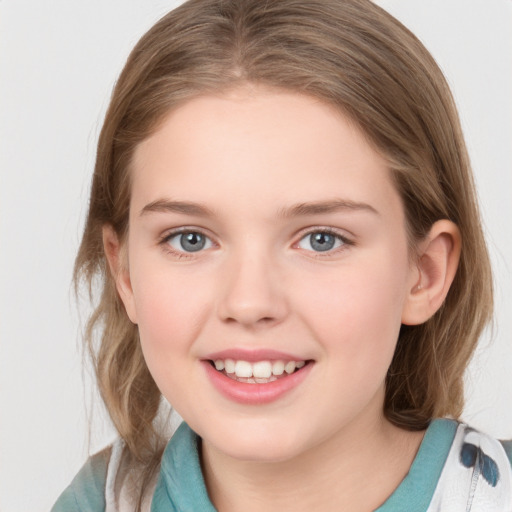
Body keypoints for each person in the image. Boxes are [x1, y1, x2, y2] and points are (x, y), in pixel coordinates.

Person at [51, 0, 512, 510]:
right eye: (190, 239)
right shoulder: (98, 501)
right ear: (125, 273)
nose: (249, 303)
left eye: (321, 239)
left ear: (424, 273)